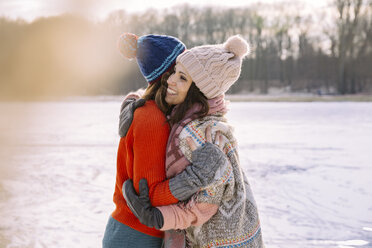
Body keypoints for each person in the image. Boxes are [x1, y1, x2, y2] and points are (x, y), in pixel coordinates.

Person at [123, 35, 264, 247]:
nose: (169, 80)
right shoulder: (191, 115)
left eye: (181, 78)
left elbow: (204, 206)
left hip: (222, 241)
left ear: (197, 91)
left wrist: (157, 216)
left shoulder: (203, 135)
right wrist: (134, 100)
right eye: (173, 73)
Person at [102, 33, 228, 248]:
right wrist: (197, 176)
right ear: (168, 75)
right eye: (182, 69)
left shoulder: (156, 111)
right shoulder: (151, 118)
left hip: (138, 232)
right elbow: (150, 197)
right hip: (135, 236)